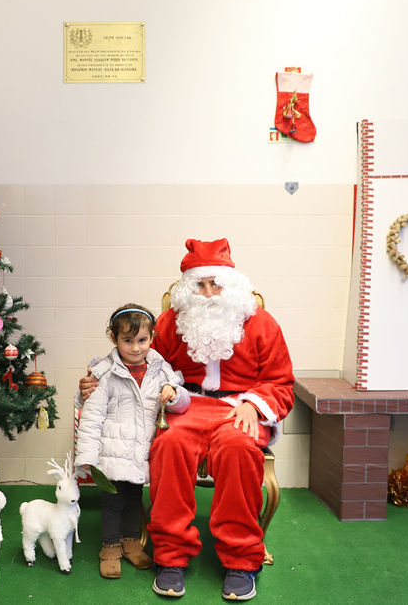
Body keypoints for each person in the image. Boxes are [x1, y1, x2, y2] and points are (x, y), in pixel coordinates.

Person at [79, 238, 294, 601]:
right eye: (199, 284)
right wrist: (100, 379)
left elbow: (280, 379)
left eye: (215, 283)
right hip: (185, 405)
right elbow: (141, 361)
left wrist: (254, 406)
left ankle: (241, 560)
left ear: (233, 284)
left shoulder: (261, 323)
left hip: (239, 409)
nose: (208, 293)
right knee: (170, 445)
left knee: (239, 449)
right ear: (187, 288)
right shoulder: (171, 322)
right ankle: (171, 556)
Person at [75, 304, 190, 579]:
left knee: (135, 499)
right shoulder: (105, 373)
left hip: (141, 452)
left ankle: (131, 544)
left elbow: (183, 402)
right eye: (128, 341)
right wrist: (87, 458)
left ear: (152, 338)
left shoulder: (161, 370)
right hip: (112, 452)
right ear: (114, 339)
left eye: (142, 340)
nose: (136, 348)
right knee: (113, 502)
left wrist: (172, 393)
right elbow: (91, 417)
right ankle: (110, 549)